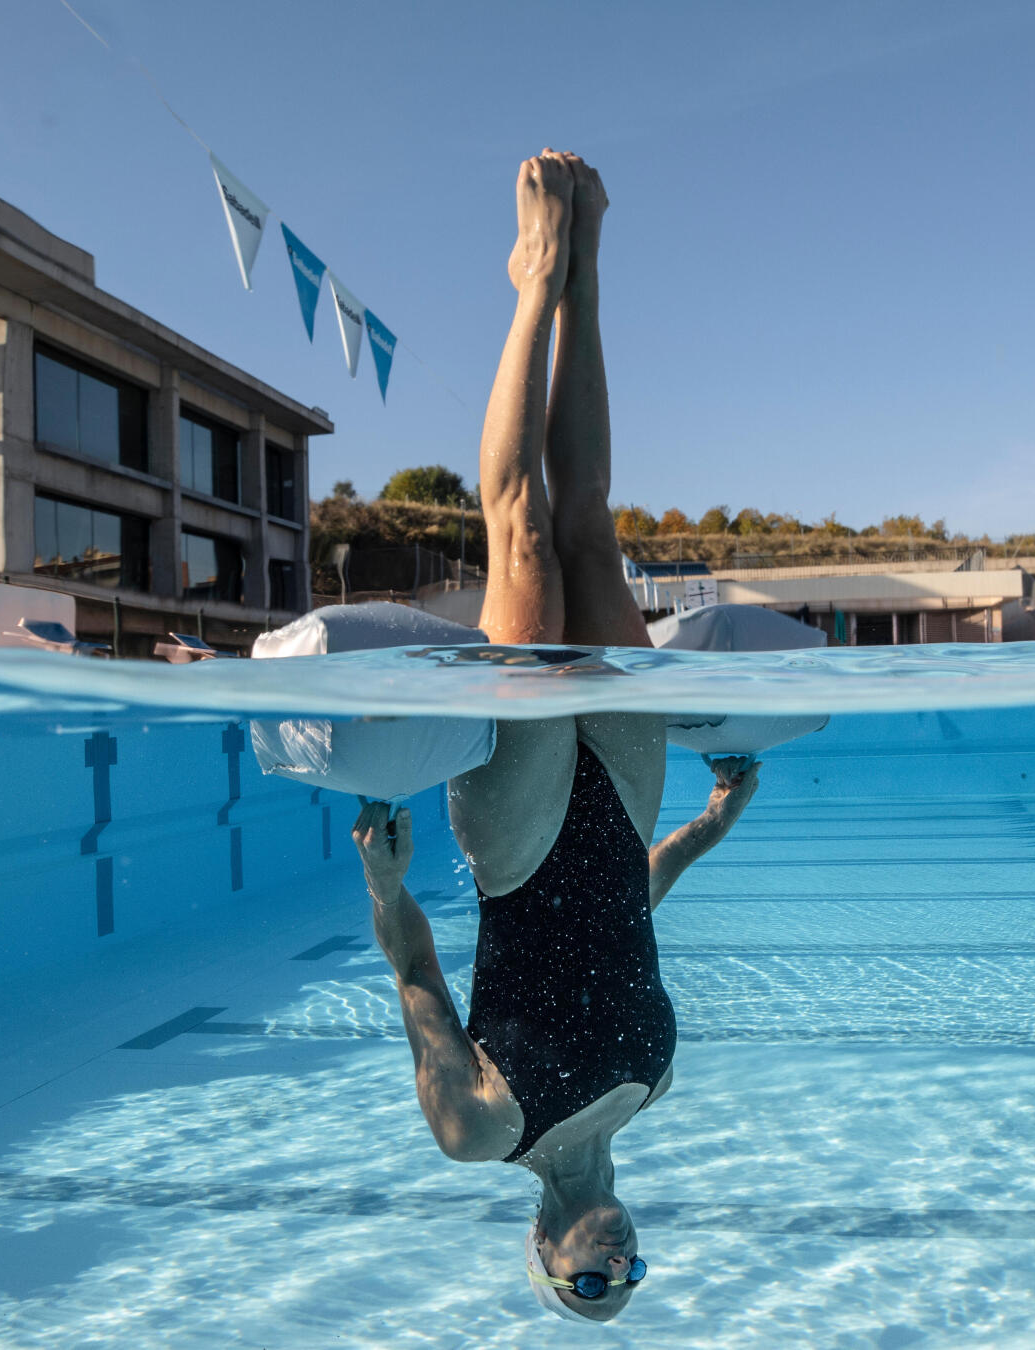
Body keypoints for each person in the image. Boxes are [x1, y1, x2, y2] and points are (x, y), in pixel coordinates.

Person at [351, 150, 760, 1322]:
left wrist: (387, 890)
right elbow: (632, 911)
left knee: (523, 538)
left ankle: (532, 277)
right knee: (593, 530)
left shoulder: (478, 1132)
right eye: (629, 1280)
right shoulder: (656, 1083)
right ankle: (589, 267)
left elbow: (421, 981)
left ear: (541, 1257)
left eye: (590, 1286)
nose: (615, 1265)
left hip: (519, 845)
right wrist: (712, 828)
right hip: (625, 805)